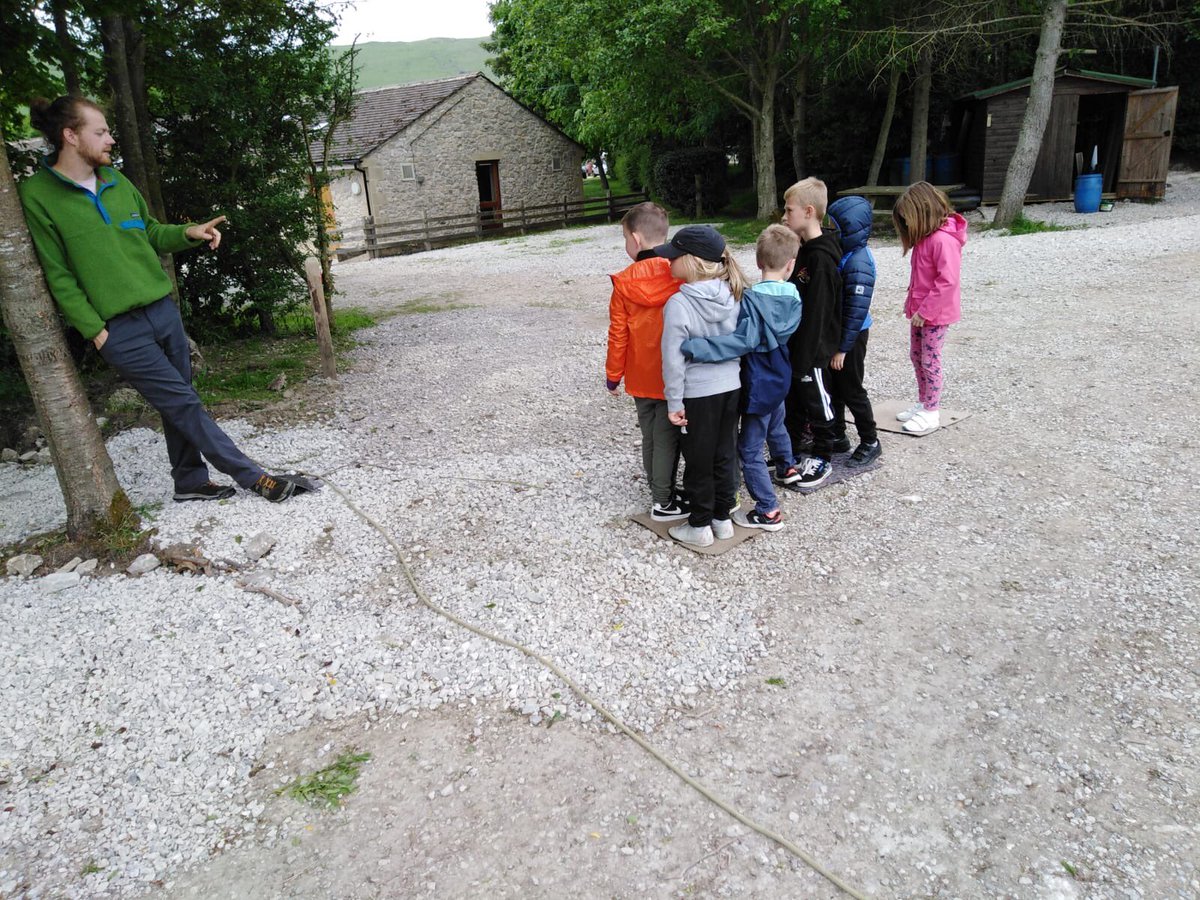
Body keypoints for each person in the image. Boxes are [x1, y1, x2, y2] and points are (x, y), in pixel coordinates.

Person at [19, 95, 306, 502]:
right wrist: (96, 331)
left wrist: (189, 232)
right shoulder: (37, 194)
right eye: (100, 132)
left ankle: (190, 483)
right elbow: (58, 273)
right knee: (184, 402)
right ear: (70, 135)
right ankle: (253, 477)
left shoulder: (117, 182)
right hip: (119, 329)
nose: (110, 140)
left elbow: (150, 231)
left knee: (179, 402)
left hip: (162, 311)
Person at [681, 224, 801, 531]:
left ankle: (768, 509)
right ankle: (787, 467)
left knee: (749, 449)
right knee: (777, 423)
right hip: (780, 377)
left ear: (759, 262)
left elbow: (741, 342)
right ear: (791, 264)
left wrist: (697, 348)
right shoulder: (794, 298)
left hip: (759, 382)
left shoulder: (751, 301)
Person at [656, 225, 747, 549]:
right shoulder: (732, 292)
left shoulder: (679, 303)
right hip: (731, 387)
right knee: (724, 453)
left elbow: (672, 360)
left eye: (674, 256)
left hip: (697, 392)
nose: (668, 261)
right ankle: (721, 518)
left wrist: (673, 401)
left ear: (692, 262)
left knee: (698, 458)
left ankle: (699, 524)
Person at [605, 202, 686, 521]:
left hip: (640, 374)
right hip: (673, 374)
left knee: (651, 434)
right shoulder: (679, 274)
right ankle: (663, 498)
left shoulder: (623, 283)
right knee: (667, 436)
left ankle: (659, 490)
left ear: (636, 239)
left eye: (625, 238)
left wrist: (613, 375)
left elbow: (618, 333)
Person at [891, 182, 968, 434]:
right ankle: (924, 403)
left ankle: (932, 410)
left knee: (930, 360)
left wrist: (925, 311)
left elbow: (947, 281)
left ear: (923, 213)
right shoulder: (925, 239)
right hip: (920, 314)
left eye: (908, 220)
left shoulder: (942, 241)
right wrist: (912, 306)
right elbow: (920, 278)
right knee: (917, 357)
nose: (907, 226)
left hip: (934, 315)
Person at [781, 177, 842, 488]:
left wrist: (807, 356)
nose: (784, 215)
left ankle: (823, 455)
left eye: (788, 210)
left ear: (808, 211)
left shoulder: (821, 258)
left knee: (818, 402)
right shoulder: (803, 251)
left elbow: (819, 313)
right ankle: (788, 453)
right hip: (797, 348)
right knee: (794, 402)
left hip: (813, 352)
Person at [826, 195, 881, 467]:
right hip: (842, 334)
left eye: (835, 227)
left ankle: (870, 440)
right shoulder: (847, 252)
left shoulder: (859, 262)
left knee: (852, 389)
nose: (832, 231)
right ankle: (838, 436)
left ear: (850, 228)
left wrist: (842, 349)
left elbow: (856, 311)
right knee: (835, 387)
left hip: (853, 336)